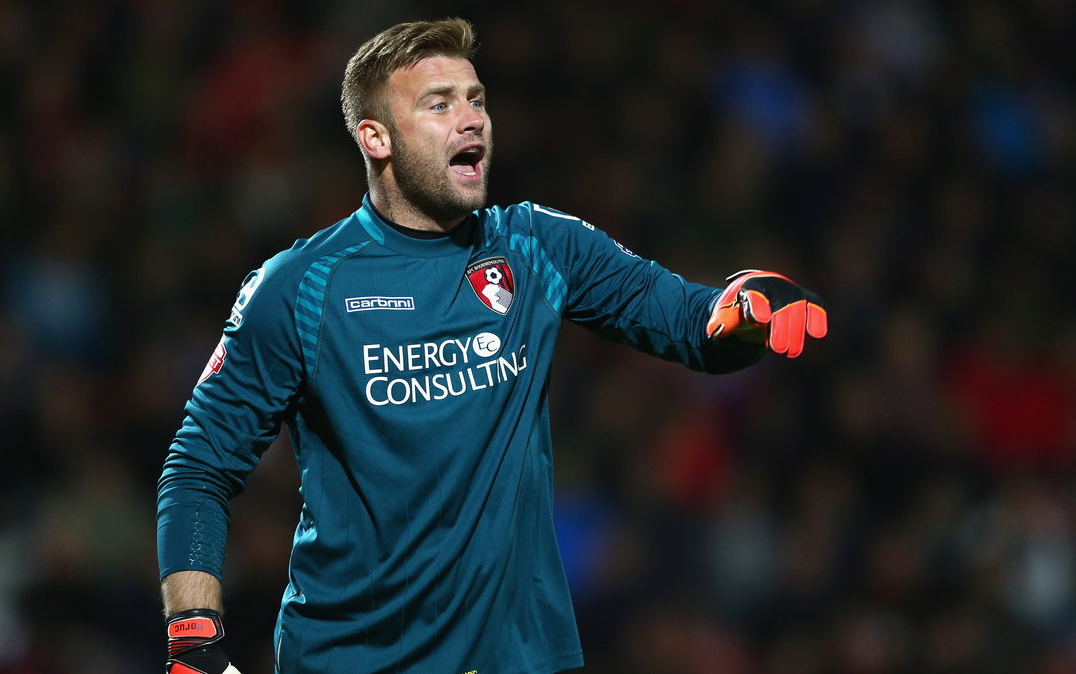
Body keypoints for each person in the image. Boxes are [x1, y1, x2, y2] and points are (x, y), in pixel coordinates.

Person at [157, 17, 827, 674]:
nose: (471, 119)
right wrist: (193, 641)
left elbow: (694, 326)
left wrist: (746, 310)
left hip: (524, 658)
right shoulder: (300, 288)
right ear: (376, 137)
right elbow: (198, 466)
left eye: (476, 100)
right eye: (439, 104)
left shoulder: (537, 245)